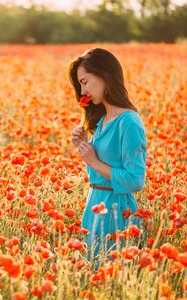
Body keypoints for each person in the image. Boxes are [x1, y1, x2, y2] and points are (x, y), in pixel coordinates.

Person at [67, 48, 147, 270]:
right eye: (79, 84)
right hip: (95, 205)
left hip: (116, 211)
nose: (82, 90)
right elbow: (99, 174)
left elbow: (135, 180)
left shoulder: (128, 122)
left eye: (85, 81)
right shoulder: (102, 120)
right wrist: (84, 146)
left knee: (112, 277)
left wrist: (93, 160)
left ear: (105, 76)